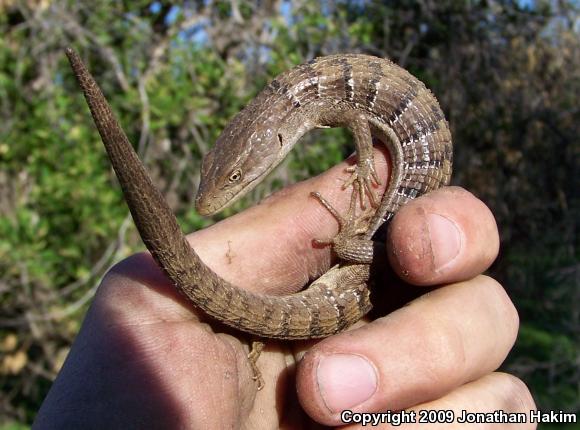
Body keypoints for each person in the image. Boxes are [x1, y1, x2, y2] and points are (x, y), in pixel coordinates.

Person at [34, 147, 536, 428]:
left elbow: (357, 252)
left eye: (232, 177)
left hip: (352, 292)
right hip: (346, 289)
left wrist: (349, 243)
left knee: (411, 248)